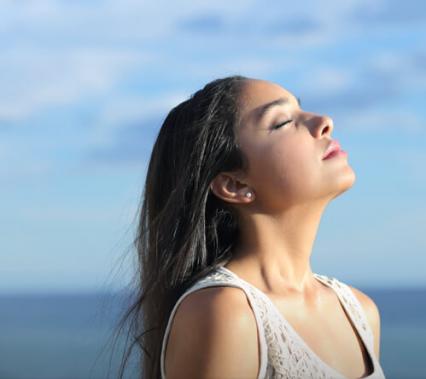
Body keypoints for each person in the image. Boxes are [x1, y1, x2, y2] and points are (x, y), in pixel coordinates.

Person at [114, 75, 385, 379]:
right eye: (282, 122)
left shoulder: (360, 312)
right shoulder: (226, 312)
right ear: (234, 184)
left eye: (301, 109)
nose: (324, 121)